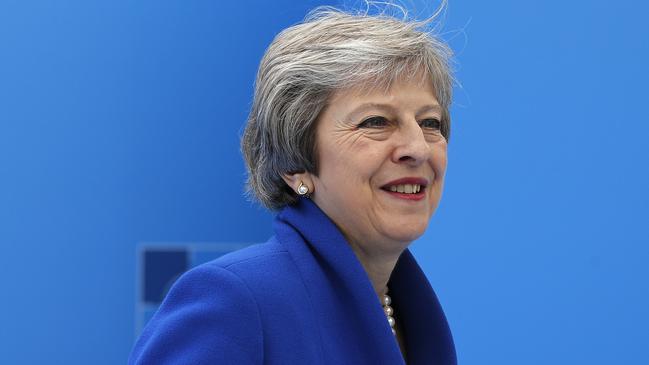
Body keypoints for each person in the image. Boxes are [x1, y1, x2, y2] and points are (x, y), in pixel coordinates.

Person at [129, 5, 456, 365]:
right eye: (376, 121)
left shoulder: (409, 308)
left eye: (430, 123)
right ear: (295, 163)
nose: (417, 148)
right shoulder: (235, 301)